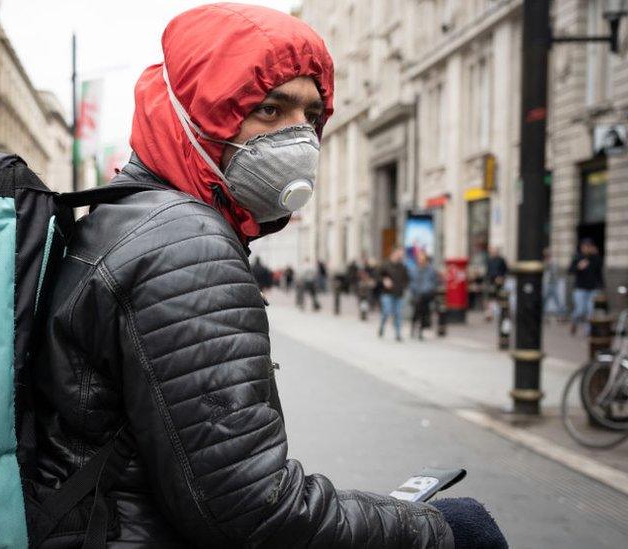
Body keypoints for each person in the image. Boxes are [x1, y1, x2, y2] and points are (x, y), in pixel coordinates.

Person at [32, 4, 505, 548]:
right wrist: (439, 531)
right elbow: (250, 507)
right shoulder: (186, 245)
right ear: (196, 118)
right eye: (270, 109)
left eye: (311, 114)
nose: (299, 137)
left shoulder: (125, 217)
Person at [568, 238, 604, 335]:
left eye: (589, 246)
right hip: (580, 288)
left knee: (590, 311)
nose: (587, 248)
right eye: (585, 246)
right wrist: (578, 267)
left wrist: (601, 286)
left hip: (592, 289)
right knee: (580, 310)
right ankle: (574, 322)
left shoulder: (595, 258)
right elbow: (570, 271)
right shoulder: (578, 257)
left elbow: (599, 271)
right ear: (582, 247)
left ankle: (588, 332)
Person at [379, 249, 410, 341]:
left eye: (401, 254)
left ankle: (398, 333)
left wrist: (403, 287)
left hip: (398, 294)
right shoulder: (385, 265)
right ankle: (382, 326)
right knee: (387, 311)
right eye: (398, 254)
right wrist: (384, 280)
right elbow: (378, 276)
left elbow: (406, 279)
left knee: (398, 314)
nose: (400, 256)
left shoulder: (402, 267)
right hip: (387, 293)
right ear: (393, 254)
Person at [409, 252, 439, 340]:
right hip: (417, 294)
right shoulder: (414, 269)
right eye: (419, 259)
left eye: (422, 259)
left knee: (423, 313)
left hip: (426, 295)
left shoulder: (430, 270)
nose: (421, 261)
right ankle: (414, 327)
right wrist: (414, 290)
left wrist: (429, 289)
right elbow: (412, 281)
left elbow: (434, 281)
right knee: (416, 312)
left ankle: (420, 331)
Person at [484, 247, 508, 321]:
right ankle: (488, 314)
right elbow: (487, 271)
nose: (492, 253)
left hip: (499, 281)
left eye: (494, 252)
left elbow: (505, 270)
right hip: (490, 281)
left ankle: (501, 313)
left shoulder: (501, 260)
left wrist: (501, 278)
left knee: (499, 297)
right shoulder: (488, 260)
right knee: (488, 298)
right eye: (491, 252)